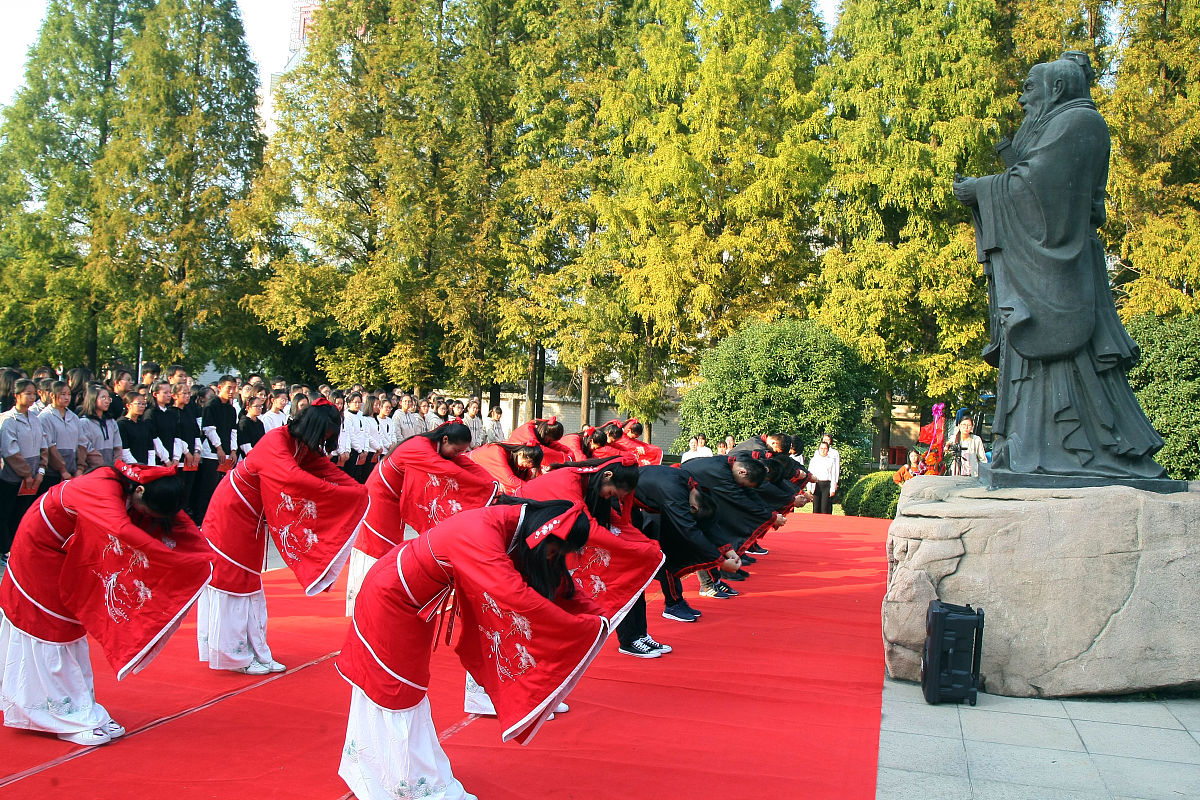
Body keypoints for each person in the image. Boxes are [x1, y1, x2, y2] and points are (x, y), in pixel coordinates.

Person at [953, 52, 1168, 482]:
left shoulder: (1078, 123)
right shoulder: (1062, 123)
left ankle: (1082, 453)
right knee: (1040, 366)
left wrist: (985, 188)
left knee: (1072, 359)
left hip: (1061, 271)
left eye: (1030, 88)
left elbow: (1042, 189)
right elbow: (1035, 178)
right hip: (1047, 268)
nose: (1022, 99)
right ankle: (1033, 448)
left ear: (1055, 88)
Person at [336, 500, 609, 799]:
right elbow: (511, 593)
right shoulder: (482, 532)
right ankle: (409, 784)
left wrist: (595, 614)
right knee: (395, 690)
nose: (554, 559)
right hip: (391, 599)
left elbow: (556, 578)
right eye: (556, 551)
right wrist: (580, 628)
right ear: (545, 534)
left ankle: (383, 771)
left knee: (400, 691)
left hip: (413, 598)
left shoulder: (512, 524)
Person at [0, 461, 212, 746]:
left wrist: (204, 553)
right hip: (41, 549)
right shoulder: (100, 488)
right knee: (51, 627)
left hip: (68, 548)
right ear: (138, 492)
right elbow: (122, 530)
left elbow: (174, 518)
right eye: (148, 512)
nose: (148, 517)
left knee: (70, 630)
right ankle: (58, 713)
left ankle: (77, 705)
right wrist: (173, 558)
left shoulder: (147, 486)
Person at [197, 400, 368, 675]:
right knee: (233, 579)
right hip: (233, 510)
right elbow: (292, 477)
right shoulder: (275, 440)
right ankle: (236, 655)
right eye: (324, 435)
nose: (324, 442)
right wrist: (338, 493)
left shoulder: (300, 444)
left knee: (249, 581)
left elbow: (326, 469)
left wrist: (358, 490)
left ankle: (255, 651)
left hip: (252, 513)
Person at [346, 422, 499, 615]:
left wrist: (490, 482)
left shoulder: (435, 446)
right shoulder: (419, 447)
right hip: (380, 497)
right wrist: (486, 488)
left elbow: (463, 463)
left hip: (393, 496)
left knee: (390, 548)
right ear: (445, 439)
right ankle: (366, 602)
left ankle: (379, 598)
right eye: (457, 450)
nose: (458, 454)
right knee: (376, 548)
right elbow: (448, 469)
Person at [0, 380, 46, 564]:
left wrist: (40, 471)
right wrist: (26, 473)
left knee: (22, 513)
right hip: (12, 478)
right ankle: (5, 549)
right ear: (17, 396)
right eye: (27, 393)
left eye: (34, 393)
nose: (32, 397)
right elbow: (10, 450)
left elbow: (43, 445)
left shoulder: (35, 418)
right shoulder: (8, 420)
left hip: (33, 477)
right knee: (5, 513)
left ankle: (16, 547)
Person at [194, 375, 238, 522]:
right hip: (211, 452)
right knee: (207, 487)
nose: (232, 391)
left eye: (234, 388)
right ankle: (201, 519)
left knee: (221, 488)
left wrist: (232, 450)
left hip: (226, 451)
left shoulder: (231, 409)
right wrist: (218, 448)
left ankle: (217, 518)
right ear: (220, 388)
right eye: (228, 388)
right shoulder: (211, 405)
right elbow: (209, 429)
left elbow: (233, 431)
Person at [39, 380, 85, 489]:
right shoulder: (44, 417)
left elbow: (82, 442)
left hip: (73, 471)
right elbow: (49, 445)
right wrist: (62, 470)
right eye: (63, 394)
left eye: (69, 394)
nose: (67, 398)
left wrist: (80, 467)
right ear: (52, 395)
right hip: (52, 473)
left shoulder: (73, 417)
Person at [469, 441, 544, 494]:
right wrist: (533, 490)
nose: (523, 468)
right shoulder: (497, 451)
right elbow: (510, 481)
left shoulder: (515, 456)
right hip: (467, 470)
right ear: (521, 454)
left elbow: (527, 479)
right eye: (525, 465)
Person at [79, 384, 122, 468]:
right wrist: (101, 466)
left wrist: (117, 464)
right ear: (93, 399)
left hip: (112, 468)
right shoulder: (84, 422)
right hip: (93, 469)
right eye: (103, 397)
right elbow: (87, 448)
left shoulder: (112, 422)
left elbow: (117, 446)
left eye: (108, 398)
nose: (107, 401)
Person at [118, 391, 154, 465]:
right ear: (128, 405)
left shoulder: (143, 424)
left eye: (144, 404)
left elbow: (150, 448)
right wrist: (137, 466)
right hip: (131, 467)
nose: (142, 406)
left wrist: (150, 466)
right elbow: (124, 450)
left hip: (145, 466)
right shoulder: (122, 424)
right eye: (138, 404)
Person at [807, 436, 840, 514]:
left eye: (825, 449)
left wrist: (832, 489)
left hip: (826, 485)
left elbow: (833, 475)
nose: (823, 450)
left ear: (828, 450)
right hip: (816, 484)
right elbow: (809, 474)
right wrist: (809, 489)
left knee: (825, 508)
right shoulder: (814, 460)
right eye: (821, 448)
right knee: (816, 508)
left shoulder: (831, 461)